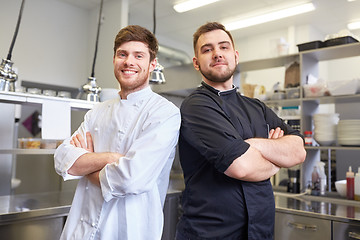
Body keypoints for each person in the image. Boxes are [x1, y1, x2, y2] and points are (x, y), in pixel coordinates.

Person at [176, 22, 306, 240]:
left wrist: (253, 145)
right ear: (196, 63)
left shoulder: (257, 107)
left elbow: (299, 151)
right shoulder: (196, 106)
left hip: (260, 232)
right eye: (207, 49)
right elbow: (242, 166)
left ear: (235, 56)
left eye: (224, 47)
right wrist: (277, 159)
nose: (217, 53)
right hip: (211, 233)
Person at [54, 25, 181, 240]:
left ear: (152, 64)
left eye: (138, 55)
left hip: (129, 231)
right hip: (80, 231)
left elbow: (130, 179)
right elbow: (62, 159)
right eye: (122, 54)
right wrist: (111, 159)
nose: (129, 61)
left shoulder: (165, 113)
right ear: (114, 60)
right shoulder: (97, 111)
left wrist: (86, 165)